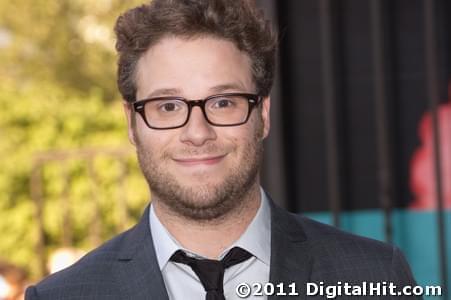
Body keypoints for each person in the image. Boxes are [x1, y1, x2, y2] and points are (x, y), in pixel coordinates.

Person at [25, 0, 421, 299]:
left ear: (262, 114)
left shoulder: (374, 277)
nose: (197, 133)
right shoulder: (65, 295)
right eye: (167, 106)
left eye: (222, 103)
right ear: (132, 123)